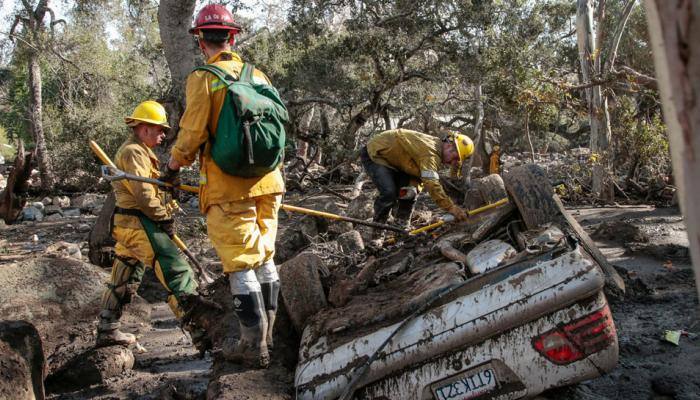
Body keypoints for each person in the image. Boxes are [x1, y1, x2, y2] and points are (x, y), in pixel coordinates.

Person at [161, 4, 284, 368]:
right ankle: (271, 339)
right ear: (232, 37)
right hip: (270, 182)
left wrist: (171, 165)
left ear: (201, 39)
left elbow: (193, 133)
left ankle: (253, 346)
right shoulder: (259, 74)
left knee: (240, 263)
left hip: (229, 188)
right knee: (265, 258)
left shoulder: (204, 77)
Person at [97, 100, 218, 352]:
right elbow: (143, 195)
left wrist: (165, 183)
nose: (163, 134)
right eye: (159, 129)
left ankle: (107, 330)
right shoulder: (134, 152)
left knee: (124, 274)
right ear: (143, 129)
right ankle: (203, 333)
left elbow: (146, 185)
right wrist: (164, 218)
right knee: (176, 272)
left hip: (127, 225)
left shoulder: (138, 151)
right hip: (140, 223)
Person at [360, 128, 474, 230]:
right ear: (449, 146)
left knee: (410, 191)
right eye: (455, 158)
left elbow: (420, 176)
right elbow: (431, 182)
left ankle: (401, 226)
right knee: (389, 193)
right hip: (377, 153)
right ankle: (377, 232)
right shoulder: (430, 153)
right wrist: (451, 207)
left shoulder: (438, 150)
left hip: (399, 162)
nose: (452, 163)